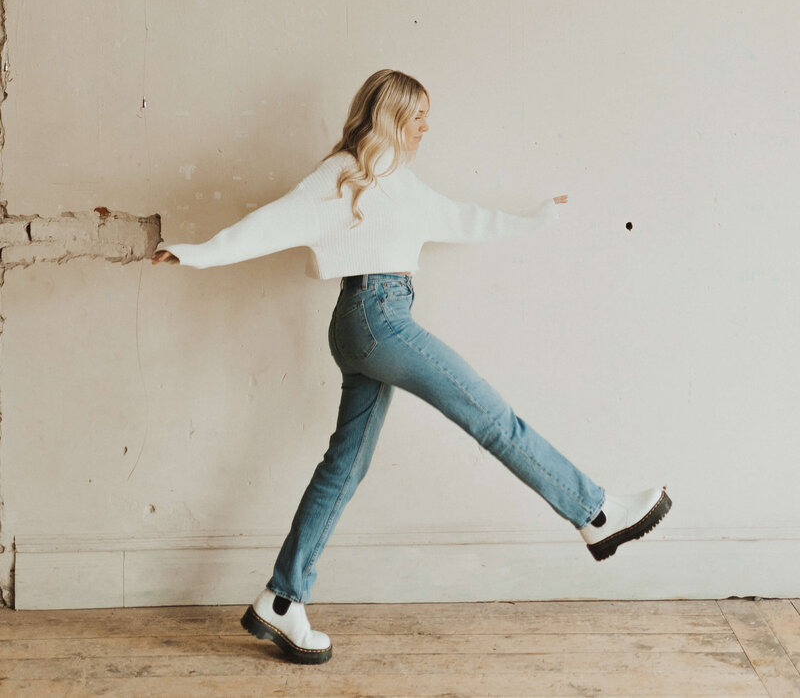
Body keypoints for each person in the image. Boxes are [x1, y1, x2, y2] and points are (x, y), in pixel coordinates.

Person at [153, 68, 671, 666]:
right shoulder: (341, 175)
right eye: (418, 115)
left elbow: (463, 218)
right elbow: (271, 222)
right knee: (491, 416)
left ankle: (281, 599)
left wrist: (533, 218)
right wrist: (198, 253)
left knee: (345, 466)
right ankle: (596, 512)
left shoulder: (400, 180)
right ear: (391, 115)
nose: (427, 126)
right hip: (377, 318)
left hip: (369, 322)